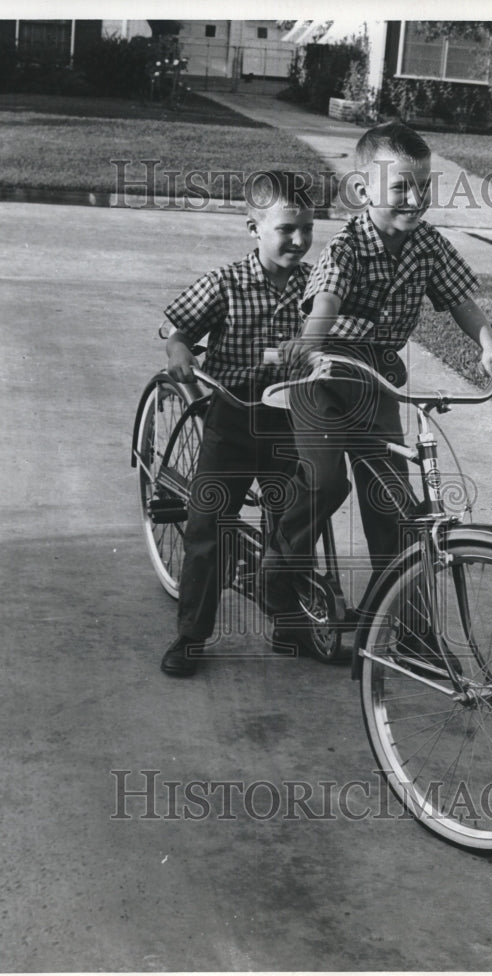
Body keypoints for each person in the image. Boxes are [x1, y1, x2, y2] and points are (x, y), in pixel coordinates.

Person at [262, 122, 492, 650]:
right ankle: (277, 571)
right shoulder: (348, 247)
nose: (416, 199)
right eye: (401, 187)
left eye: (424, 186)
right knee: (326, 482)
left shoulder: (427, 243)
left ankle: (412, 634)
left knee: (394, 506)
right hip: (324, 372)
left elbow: (460, 299)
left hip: (378, 380)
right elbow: (326, 302)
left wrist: (488, 344)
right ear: (362, 190)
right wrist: (310, 345)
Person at [160, 171, 316, 677]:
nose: (298, 240)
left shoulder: (316, 285)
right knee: (209, 524)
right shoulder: (225, 282)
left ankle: (289, 620)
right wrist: (179, 349)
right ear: (254, 228)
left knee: (292, 521)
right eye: (286, 229)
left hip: (288, 417)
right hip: (232, 413)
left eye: (307, 229)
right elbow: (178, 330)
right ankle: (191, 635)